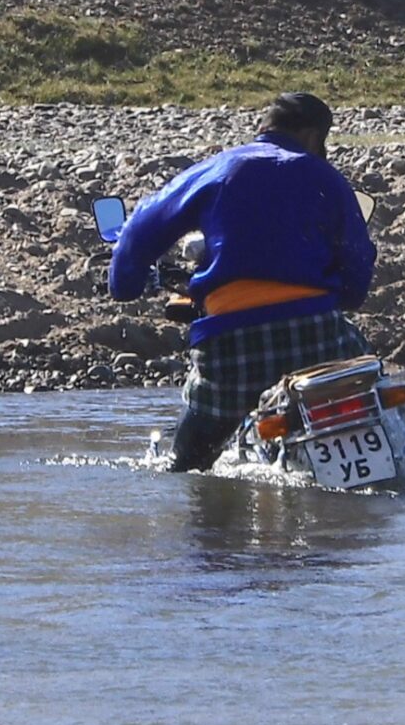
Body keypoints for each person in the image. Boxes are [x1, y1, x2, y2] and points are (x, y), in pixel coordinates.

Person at [108, 91, 377, 471]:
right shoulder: (326, 178)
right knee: (369, 382)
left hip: (232, 343)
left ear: (262, 128)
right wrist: (347, 296)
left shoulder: (219, 169)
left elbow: (139, 229)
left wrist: (125, 285)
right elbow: (357, 257)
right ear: (315, 137)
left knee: (187, 461)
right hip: (320, 337)